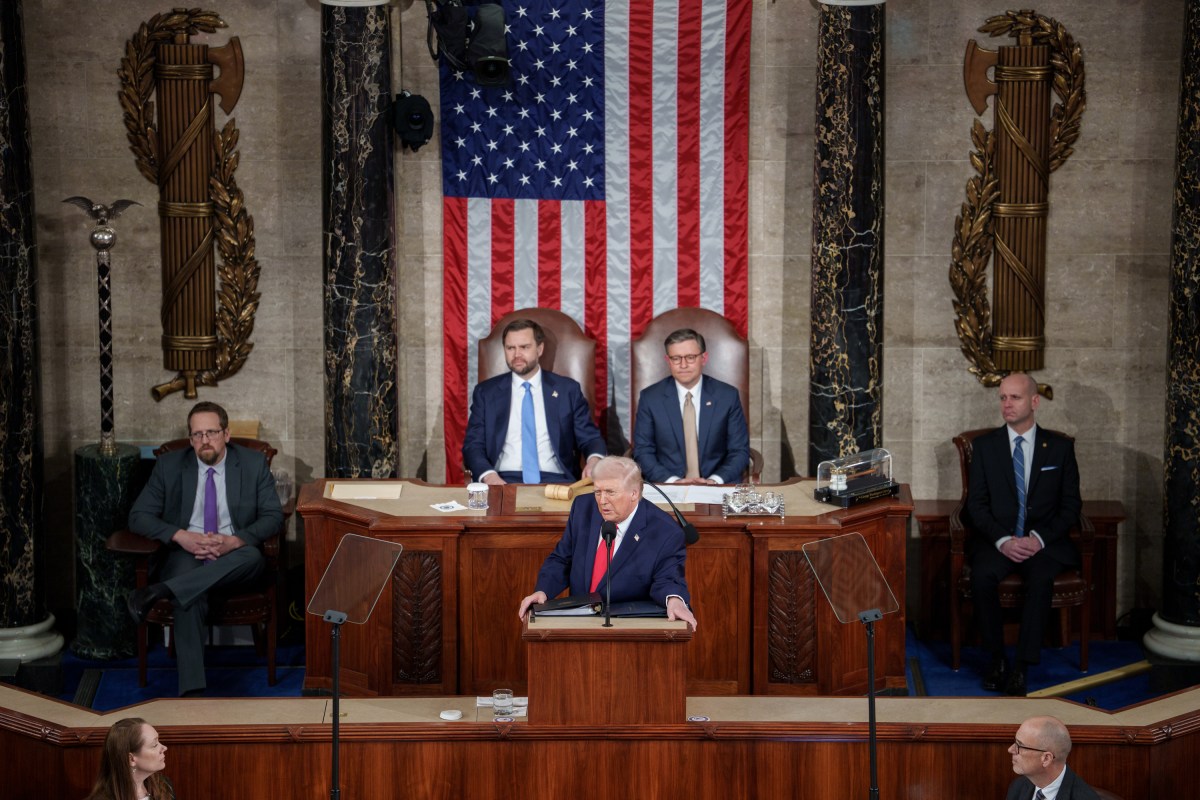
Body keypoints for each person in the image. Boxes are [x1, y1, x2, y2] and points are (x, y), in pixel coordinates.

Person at [126, 401, 283, 697]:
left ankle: (160, 591)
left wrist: (234, 541)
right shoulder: (170, 465)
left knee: (251, 555)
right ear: (190, 439)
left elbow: (273, 516)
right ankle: (193, 693)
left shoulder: (251, 464)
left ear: (226, 434)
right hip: (187, 554)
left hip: (236, 556)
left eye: (211, 432)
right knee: (190, 597)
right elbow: (138, 516)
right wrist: (180, 535)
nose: (204, 440)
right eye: (197, 435)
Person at [966, 372, 1082, 697]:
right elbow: (976, 505)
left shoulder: (1059, 448)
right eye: (1003, 397)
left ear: (1034, 401)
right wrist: (1004, 541)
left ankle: (1021, 667)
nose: (1006, 404)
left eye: (1014, 397)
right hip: (997, 540)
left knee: (1041, 578)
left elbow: (1071, 505)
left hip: (1043, 543)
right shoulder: (985, 447)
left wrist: (1038, 539)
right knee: (982, 577)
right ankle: (996, 659)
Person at [517, 456, 697, 630]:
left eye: (610, 492)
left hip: (627, 629)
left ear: (634, 493)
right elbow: (563, 559)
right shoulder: (583, 508)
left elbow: (668, 579)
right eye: (597, 491)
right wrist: (543, 591)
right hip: (578, 625)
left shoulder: (665, 531)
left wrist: (675, 600)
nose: (602, 501)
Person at [462, 318, 606, 484]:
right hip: (502, 479)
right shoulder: (486, 393)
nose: (517, 354)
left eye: (524, 347)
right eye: (510, 348)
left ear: (539, 349)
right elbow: (473, 445)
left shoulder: (567, 390)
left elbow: (590, 438)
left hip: (557, 480)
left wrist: (594, 461)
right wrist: (489, 476)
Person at [633, 327, 750, 485]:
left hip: (718, 485)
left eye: (690, 357)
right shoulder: (650, 398)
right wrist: (672, 481)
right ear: (668, 361)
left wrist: (715, 480)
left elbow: (739, 451)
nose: (683, 365)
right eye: (676, 358)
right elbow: (643, 451)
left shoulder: (727, 396)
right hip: (667, 486)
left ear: (704, 358)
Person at [1005, 715, 1100, 799]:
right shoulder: (1018, 787)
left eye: (1020, 746)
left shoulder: (1084, 797)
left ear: (1046, 758)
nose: (1010, 749)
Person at [85, 717, 174, 800]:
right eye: (154, 745)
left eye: (158, 741)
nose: (164, 748)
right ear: (131, 759)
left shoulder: (164, 785)